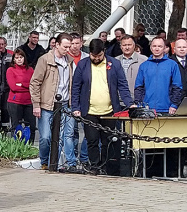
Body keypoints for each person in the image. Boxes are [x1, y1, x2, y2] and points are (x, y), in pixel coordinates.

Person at [71, 39, 134, 175]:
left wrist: (130, 103)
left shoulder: (115, 64)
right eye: (93, 56)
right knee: (92, 141)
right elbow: (75, 87)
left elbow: (122, 86)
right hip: (89, 111)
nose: (96, 58)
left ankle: (106, 166)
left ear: (104, 52)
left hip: (110, 111)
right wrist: (75, 107)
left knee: (108, 141)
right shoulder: (83, 65)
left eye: (99, 56)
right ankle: (94, 166)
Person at [30, 33, 77, 172]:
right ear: (56, 44)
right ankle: (44, 160)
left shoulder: (69, 61)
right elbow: (35, 83)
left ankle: (70, 162)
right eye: (65, 47)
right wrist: (36, 105)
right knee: (45, 137)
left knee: (68, 134)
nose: (67, 50)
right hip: (47, 104)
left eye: (69, 46)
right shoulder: (45, 60)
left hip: (65, 103)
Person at [134, 37, 183, 114]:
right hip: (147, 109)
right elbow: (139, 87)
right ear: (150, 48)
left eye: (160, 46)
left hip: (167, 109)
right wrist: (139, 104)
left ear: (164, 48)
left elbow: (177, 87)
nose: (157, 49)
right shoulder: (144, 66)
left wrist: (174, 105)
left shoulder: (172, 65)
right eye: (154, 46)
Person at [6, 49, 36, 143]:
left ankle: (30, 146)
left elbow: (33, 85)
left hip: (29, 102)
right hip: (15, 102)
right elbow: (13, 87)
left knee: (31, 126)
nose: (19, 59)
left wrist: (21, 84)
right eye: (17, 58)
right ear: (13, 59)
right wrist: (26, 85)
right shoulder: (10, 70)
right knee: (16, 126)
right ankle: (16, 146)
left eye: (21, 57)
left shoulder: (30, 70)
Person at [68, 33, 89, 168]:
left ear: (81, 43)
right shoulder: (65, 58)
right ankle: (72, 159)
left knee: (88, 131)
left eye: (77, 43)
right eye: (72, 43)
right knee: (71, 132)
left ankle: (84, 157)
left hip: (85, 99)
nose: (75, 46)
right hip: (69, 99)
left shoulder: (87, 58)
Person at [0, 36, 13, 130]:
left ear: (5, 44)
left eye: (2, 44)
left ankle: (5, 127)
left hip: (7, 88)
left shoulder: (11, 55)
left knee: (5, 108)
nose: (0, 46)